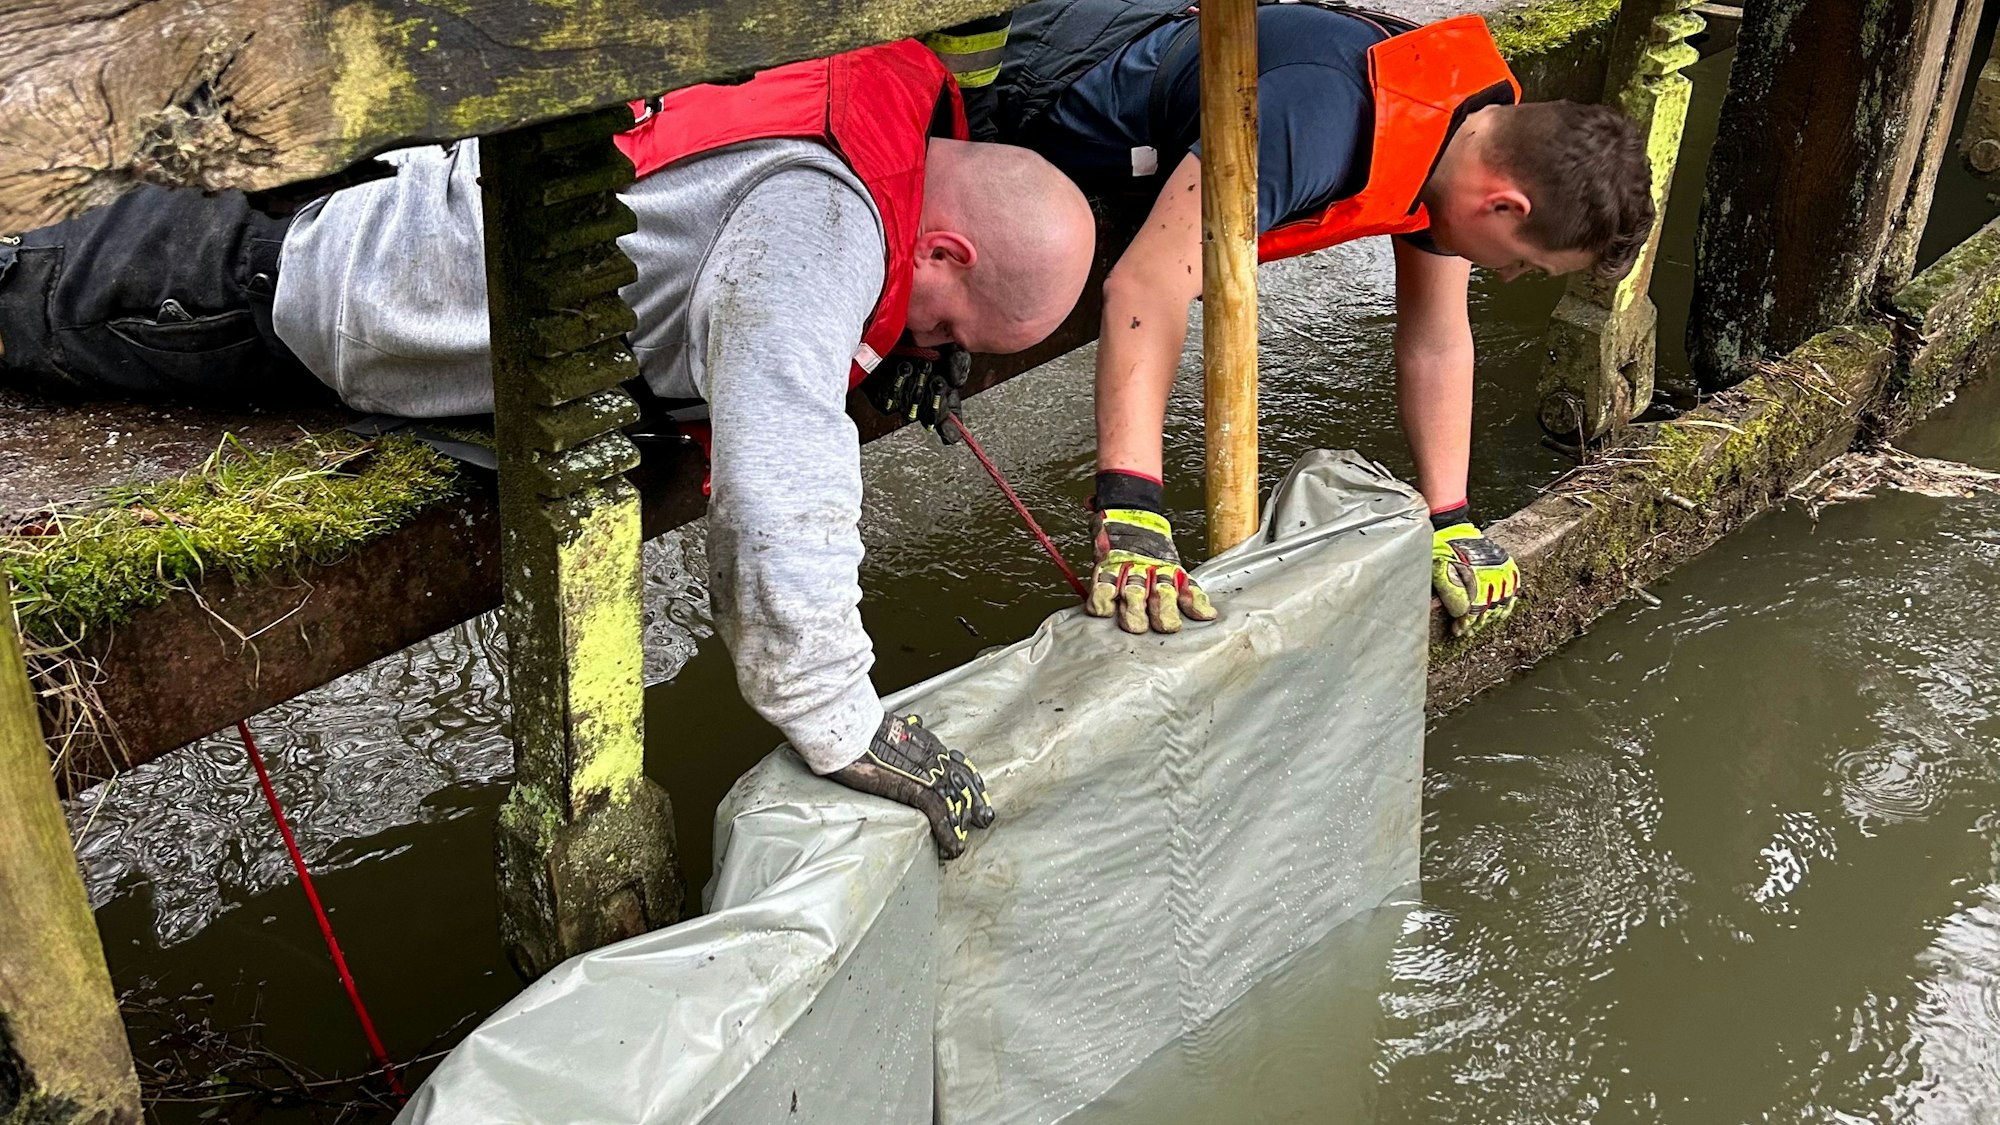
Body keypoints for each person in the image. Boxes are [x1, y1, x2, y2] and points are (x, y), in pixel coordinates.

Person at [0, 39, 1098, 859]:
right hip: (274, 284)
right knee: (25, 279)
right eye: (944, 326)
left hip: (397, 177)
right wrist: (840, 721)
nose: (928, 342)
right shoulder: (821, 231)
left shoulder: (870, 78)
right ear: (942, 244)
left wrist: (890, 340)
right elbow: (779, 497)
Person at [982, 0, 1655, 636]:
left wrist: (1449, 521)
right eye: (1526, 265)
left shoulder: (1467, 132)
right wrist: (1131, 512)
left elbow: (1437, 339)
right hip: (1043, 78)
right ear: (1505, 207)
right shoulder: (1312, 125)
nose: (1507, 276)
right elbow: (1146, 286)